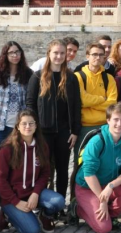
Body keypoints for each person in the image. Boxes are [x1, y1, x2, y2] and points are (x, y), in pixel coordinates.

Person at [0, 41, 33, 222]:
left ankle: (15, 204)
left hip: (20, 129)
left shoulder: (28, 75)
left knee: (19, 167)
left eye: (17, 52)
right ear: (5, 55)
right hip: (0, 128)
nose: (15, 55)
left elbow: (30, 101)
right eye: (11, 52)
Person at [0, 109, 65, 233]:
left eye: (31, 123)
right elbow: (1, 180)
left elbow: (45, 174)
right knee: (33, 232)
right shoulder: (7, 148)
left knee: (59, 201)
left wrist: (35, 193)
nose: (28, 127)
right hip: (12, 198)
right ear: (17, 126)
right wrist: (16, 201)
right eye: (24, 124)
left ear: (36, 125)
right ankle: (5, 214)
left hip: (33, 193)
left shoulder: (42, 146)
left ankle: (44, 216)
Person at [26, 39, 81, 201]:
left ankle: (61, 201)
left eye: (62, 53)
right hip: (43, 132)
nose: (59, 56)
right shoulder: (37, 77)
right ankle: (44, 204)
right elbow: (30, 104)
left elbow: (76, 106)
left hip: (64, 132)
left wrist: (75, 131)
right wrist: (33, 130)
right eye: (55, 53)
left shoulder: (71, 78)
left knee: (63, 169)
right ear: (49, 54)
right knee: (44, 170)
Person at [75, 103, 121, 233]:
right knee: (104, 228)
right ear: (108, 120)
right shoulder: (97, 141)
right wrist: (102, 200)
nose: (119, 124)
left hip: (108, 186)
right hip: (87, 187)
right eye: (116, 119)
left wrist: (110, 186)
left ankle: (111, 214)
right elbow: (88, 173)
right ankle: (78, 208)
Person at [74, 43, 118, 165]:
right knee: (82, 163)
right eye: (94, 54)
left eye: (101, 55)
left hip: (104, 127)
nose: (97, 58)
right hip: (84, 127)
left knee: (103, 162)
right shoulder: (78, 77)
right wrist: (101, 99)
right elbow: (82, 100)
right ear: (87, 56)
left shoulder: (109, 79)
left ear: (104, 57)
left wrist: (90, 103)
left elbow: (112, 104)